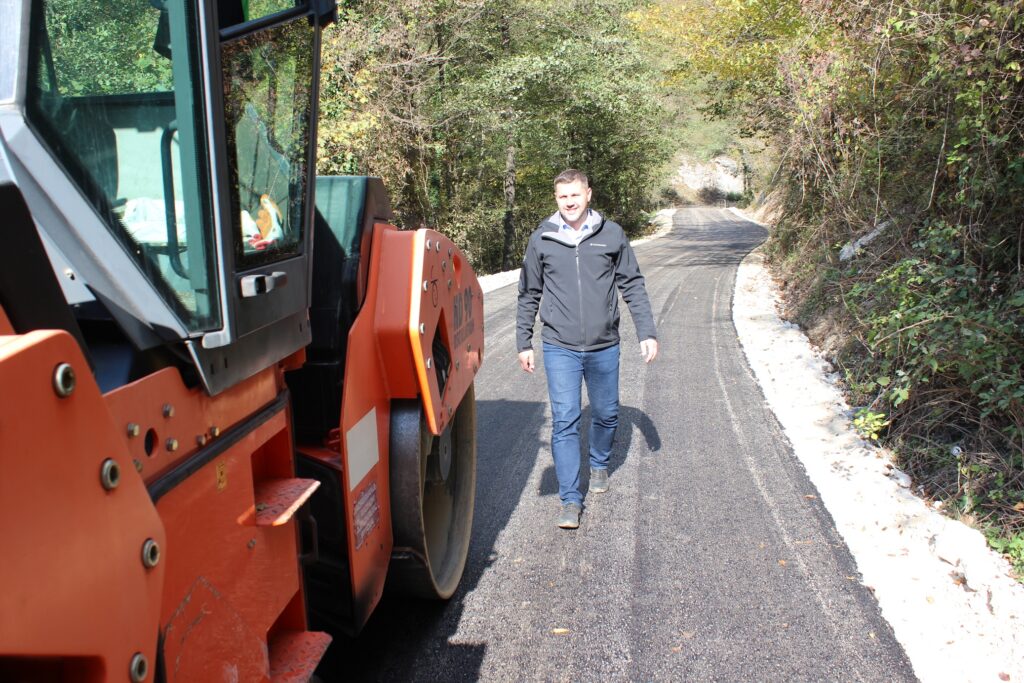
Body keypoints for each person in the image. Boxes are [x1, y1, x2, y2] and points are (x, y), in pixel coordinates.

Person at [516, 169, 658, 529]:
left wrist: (646, 331)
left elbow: (632, 284)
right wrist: (523, 341)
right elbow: (529, 292)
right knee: (564, 420)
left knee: (607, 413)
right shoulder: (542, 238)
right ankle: (569, 499)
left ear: (588, 194)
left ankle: (598, 463)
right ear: (556, 198)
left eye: (575, 195)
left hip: (604, 345)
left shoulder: (611, 234)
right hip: (559, 346)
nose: (569, 202)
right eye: (563, 196)